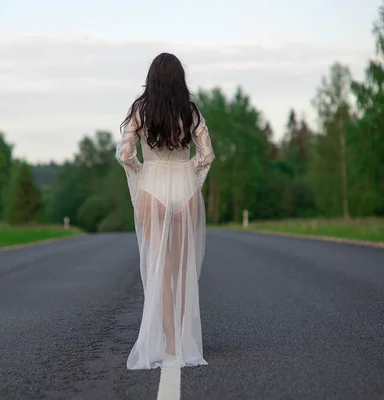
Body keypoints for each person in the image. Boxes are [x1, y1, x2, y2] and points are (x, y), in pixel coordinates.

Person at [116, 52, 215, 369]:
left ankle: (170, 339)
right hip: (184, 187)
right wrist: (191, 170)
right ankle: (185, 340)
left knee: (160, 265)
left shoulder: (140, 110)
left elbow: (125, 153)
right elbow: (208, 155)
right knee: (183, 269)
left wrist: (139, 169)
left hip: (153, 185)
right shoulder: (190, 111)